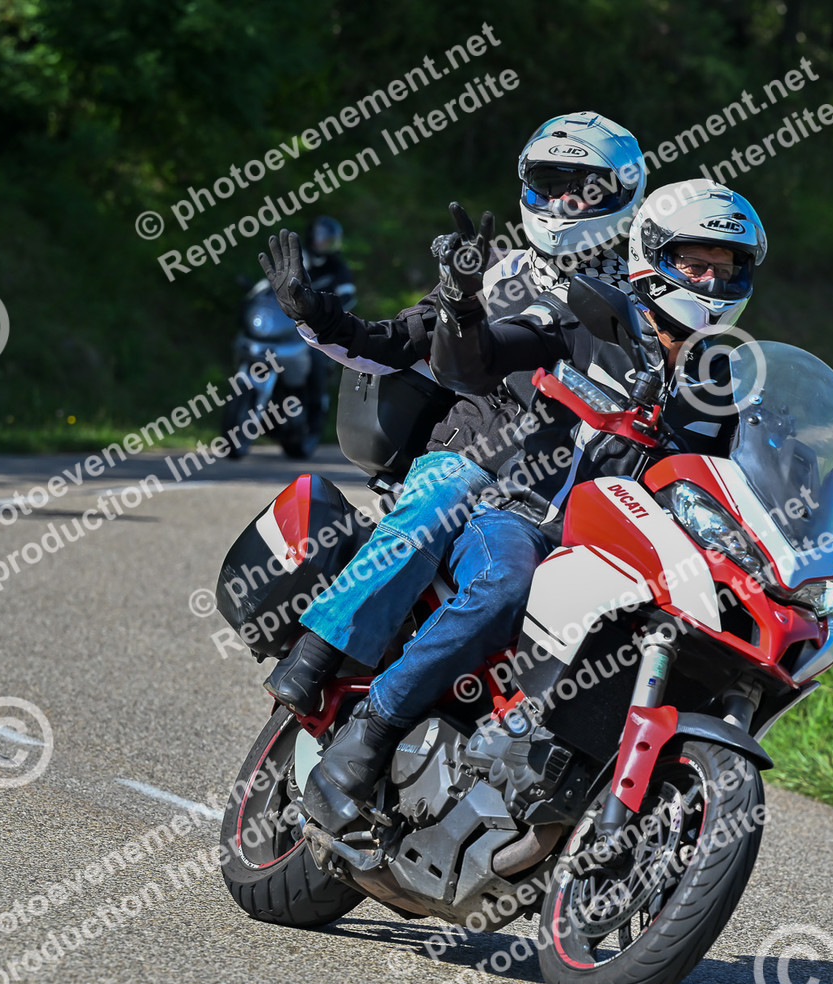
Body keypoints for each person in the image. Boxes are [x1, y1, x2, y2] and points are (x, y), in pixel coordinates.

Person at [298, 179, 768, 838]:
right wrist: (462, 303)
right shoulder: (588, 313)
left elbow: (751, 478)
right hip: (525, 514)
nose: (713, 281)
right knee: (507, 582)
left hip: (626, 556)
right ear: (654, 257)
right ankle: (367, 735)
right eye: (696, 264)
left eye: (727, 268)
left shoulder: (723, 383)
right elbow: (474, 363)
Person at [261, 111, 646, 716]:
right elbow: (392, 343)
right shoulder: (498, 273)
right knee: (448, 489)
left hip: (572, 496)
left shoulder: (647, 300)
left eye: (583, 188)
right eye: (548, 184)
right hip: (473, 456)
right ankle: (318, 652)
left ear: (624, 194)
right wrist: (314, 313)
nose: (563, 202)